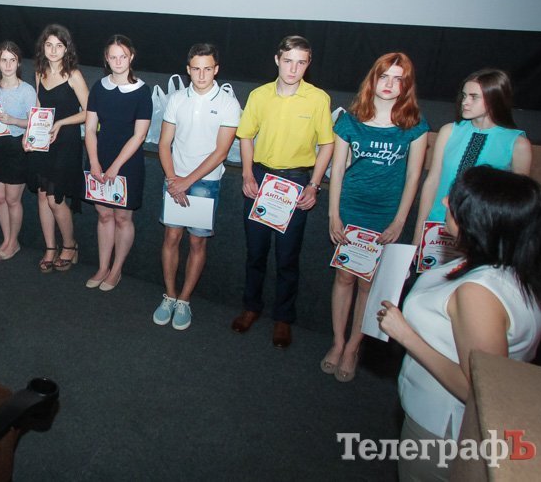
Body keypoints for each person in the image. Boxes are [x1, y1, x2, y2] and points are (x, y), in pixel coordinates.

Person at [378, 167, 541, 480]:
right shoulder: (521, 271)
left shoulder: (479, 295)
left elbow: (478, 388)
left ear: (479, 221)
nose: (445, 202)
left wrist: (405, 334)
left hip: (442, 429)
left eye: (456, 202)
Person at [323, 53, 429, 381]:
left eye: (398, 79)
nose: (389, 84)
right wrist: (333, 215)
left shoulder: (415, 125)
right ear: (374, 79)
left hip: (385, 215)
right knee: (344, 278)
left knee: (368, 284)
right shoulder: (350, 120)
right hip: (350, 209)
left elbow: (413, 177)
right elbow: (337, 171)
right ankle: (338, 342)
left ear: (406, 85)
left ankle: (354, 347)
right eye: (384, 77)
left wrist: (399, 221)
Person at [232, 35, 334, 348]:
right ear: (277, 60)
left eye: (301, 62)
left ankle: (283, 318)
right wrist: (247, 174)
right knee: (256, 252)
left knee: (288, 256)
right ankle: (251, 307)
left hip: (296, 181)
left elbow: (327, 144)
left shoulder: (318, 99)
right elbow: (246, 136)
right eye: (288, 61)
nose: (293, 69)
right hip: (260, 177)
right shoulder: (259, 95)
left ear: (308, 64)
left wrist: (314, 185)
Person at [154, 43, 241, 330]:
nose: (201, 75)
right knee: (171, 237)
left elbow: (221, 152)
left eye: (207, 69)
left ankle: (184, 300)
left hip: (205, 183)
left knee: (196, 242)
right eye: (196, 69)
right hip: (174, 179)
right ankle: (170, 295)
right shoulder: (177, 99)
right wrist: (172, 180)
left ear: (216, 69)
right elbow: (164, 143)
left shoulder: (228, 104)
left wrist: (186, 182)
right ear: (188, 69)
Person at [413, 69, 532, 242]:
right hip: (436, 226)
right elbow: (433, 181)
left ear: (494, 99)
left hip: (480, 234)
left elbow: (516, 204)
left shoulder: (518, 144)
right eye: (464, 95)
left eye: (474, 97)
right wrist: (419, 231)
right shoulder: (449, 131)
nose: (465, 102)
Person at [83, 36, 152, 289]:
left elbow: (139, 135)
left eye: (123, 56)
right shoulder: (98, 87)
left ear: (131, 57)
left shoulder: (142, 92)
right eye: (113, 57)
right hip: (99, 158)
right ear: (106, 59)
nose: (118, 61)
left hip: (127, 162)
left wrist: (115, 167)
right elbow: (90, 129)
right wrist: (94, 162)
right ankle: (103, 267)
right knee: (103, 215)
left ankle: (116, 269)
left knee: (123, 218)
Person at [26, 24, 89, 272]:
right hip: (44, 141)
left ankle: (70, 245)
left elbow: (89, 113)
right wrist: (30, 135)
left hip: (66, 142)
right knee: (43, 196)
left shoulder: (73, 75)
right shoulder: (39, 72)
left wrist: (61, 122)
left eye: (59, 46)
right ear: (43, 47)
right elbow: (38, 108)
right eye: (49, 45)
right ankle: (50, 248)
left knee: (55, 199)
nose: (53, 50)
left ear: (66, 49)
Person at [0, 42, 36, 260]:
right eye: (3, 60)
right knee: (0, 198)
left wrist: (12, 120)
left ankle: (14, 242)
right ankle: (6, 239)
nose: (7, 64)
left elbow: (35, 123)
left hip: (17, 148)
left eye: (12, 60)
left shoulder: (27, 90)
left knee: (13, 200)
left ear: (18, 63)